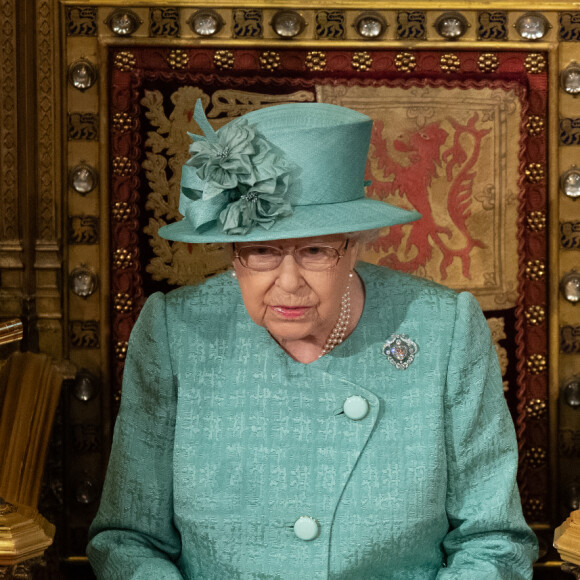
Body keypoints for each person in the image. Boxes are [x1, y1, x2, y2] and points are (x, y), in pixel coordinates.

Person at [87, 100, 538, 578]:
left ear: (355, 244)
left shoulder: (443, 327)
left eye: (315, 250)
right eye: (261, 251)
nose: (288, 282)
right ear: (231, 251)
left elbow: (492, 539)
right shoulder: (176, 332)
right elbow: (128, 541)